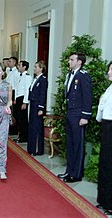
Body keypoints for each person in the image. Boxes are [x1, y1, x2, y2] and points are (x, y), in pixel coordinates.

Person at [57, 52, 93, 183]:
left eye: (72, 59)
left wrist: (85, 116)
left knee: (78, 144)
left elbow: (88, 97)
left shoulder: (83, 76)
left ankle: (76, 174)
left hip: (79, 114)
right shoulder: (69, 75)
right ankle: (69, 171)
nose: (69, 61)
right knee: (70, 143)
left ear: (79, 62)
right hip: (70, 113)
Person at [95, 61, 112, 215]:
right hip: (106, 125)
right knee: (105, 163)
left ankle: (110, 202)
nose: (109, 72)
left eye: (111, 70)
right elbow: (102, 107)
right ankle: (103, 200)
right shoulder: (109, 88)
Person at [27, 61, 48, 156]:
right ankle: (31, 148)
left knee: (37, 127)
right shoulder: (35, 79)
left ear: (41, 68)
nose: (34, 68)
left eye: (36, 67)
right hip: (33, 104)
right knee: (32, 126)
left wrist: (41, 108)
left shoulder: (43, 80)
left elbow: (43, 94)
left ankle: (37, 149)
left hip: (37, 106)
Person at [13, 60, 32, 143]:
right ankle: (20, 135)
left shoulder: (27, 77)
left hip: (23, 99)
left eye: (20, 65)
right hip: (18, 98)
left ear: (24, 67)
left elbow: (27, 90)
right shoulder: (20, 76)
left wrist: (25, 102)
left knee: (22, 119)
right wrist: (15, 98)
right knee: (18, 118)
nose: (18, 67)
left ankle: (24, 137)